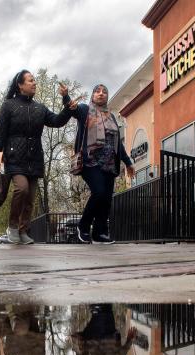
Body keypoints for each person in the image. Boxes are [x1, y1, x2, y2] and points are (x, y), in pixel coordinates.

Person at [0, 70, 72, 245]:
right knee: (22, 189)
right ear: (20, 85)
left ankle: (23, 230)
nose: (34, 83)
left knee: (30, 197)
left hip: (34, 158)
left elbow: (57, 121)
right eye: (30, 80)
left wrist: (66, 100)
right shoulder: (8, 106)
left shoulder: (40, 108)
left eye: (34, 80)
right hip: (14, 157)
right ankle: (12, 227)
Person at [62, 84, 134, 244]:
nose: (101, 94)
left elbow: (118, 144)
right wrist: (66, 97)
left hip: (109, 164)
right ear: (93, 95)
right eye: (97, 91)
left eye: (104, 92)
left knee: (106, 199)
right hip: (90, 162)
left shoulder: (112, 117)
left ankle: (100, 233)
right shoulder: (84, 110)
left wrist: (128, 163)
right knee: (99, 192)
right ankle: (83, 226)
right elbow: (72, 109)